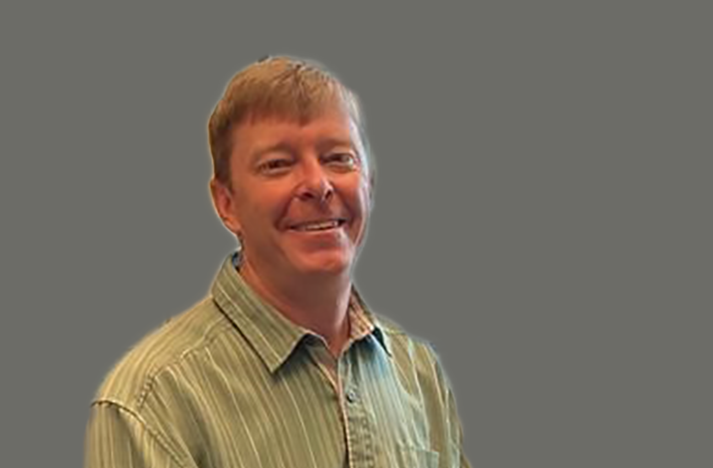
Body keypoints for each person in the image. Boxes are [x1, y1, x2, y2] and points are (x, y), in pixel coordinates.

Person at [84, 56, 471, 468]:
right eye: (277, 165)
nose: (318, 185)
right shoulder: (152, 404)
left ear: (369, 185)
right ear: (226, 204)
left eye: (338, 158)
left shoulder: (420, 374)